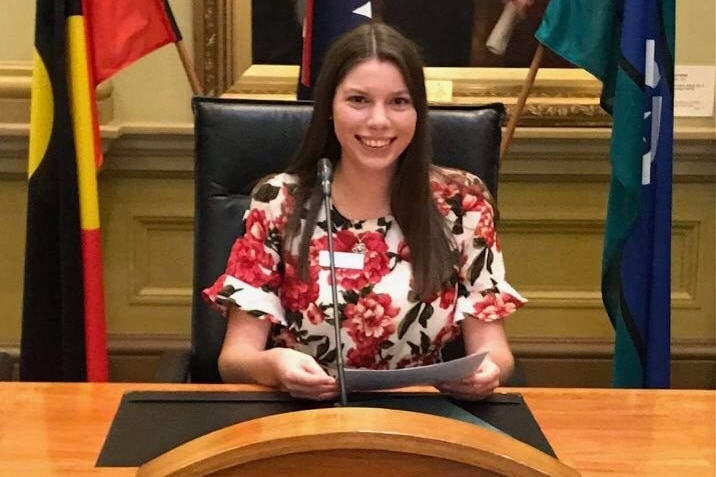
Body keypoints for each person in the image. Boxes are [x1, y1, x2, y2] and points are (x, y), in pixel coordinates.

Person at [203, 22, 526, 401]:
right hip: (302, 416)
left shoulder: (462, 202)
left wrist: (487, 373)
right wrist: (273, 367)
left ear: (417, 111)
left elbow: (495, 352)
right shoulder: (279, 201)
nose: (379, 121)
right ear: (329, 108)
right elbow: (235, 359)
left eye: (398, 102)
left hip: (423, 420)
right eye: (358, 100)